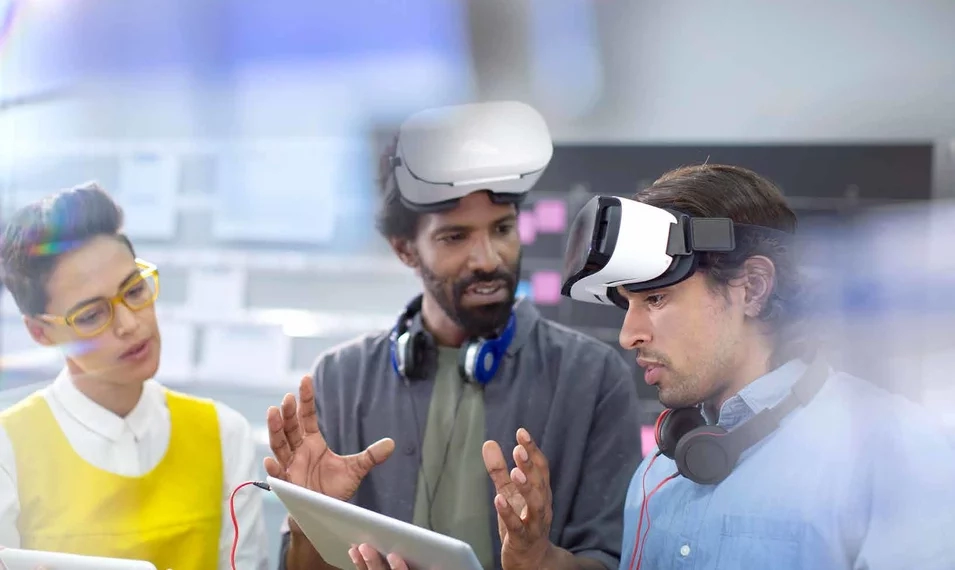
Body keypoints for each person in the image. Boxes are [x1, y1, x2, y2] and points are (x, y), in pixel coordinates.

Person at [265, 101, 642, 570]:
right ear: (405, 250)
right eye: (455, 237)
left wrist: (540, 559)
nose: (487, 258)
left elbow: (611, 560)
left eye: (502, 229)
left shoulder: (592, 377)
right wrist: (308, 522)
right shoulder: (341, 378)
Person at [559, 163, 955, 570]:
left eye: (655, 299)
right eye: (627, 305)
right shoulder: (654, 478)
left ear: (753, 288)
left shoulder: (896, 455)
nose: (628, 335)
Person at [0, 183, 269, 570]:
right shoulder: (10, 450)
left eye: (134, 290)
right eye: (92, 315)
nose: (129, 323)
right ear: (41, 332)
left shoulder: (223, 434)